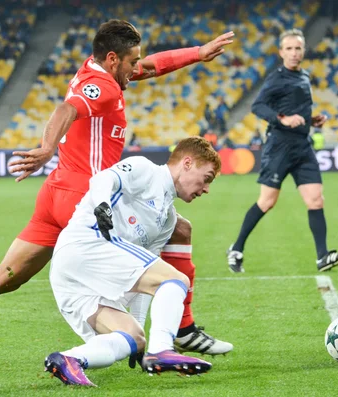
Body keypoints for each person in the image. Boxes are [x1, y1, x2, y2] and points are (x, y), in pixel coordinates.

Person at [0, 20, 235, 370]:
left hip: (55, 193)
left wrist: (197, 53)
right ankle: (178, 328)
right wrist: (46, 148)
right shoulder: (103, 87)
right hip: (82, 196)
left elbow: (149, 67)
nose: (138, 69)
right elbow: (66, 109)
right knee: (174, 231)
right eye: (133, 62)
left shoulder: (99, 71)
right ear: (114, 59)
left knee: (7, 275)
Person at [45, 137, 220, 386]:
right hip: (87, 243)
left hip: (78, 274)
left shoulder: (168, 219)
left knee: (133, 337)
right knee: (176, 279)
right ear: (188, 163)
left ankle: (69, 359)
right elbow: (103, 178)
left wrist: (139, 326)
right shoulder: (146, 170)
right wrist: (103, 204)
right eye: (207, 178)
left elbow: (145, 281)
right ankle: (162, 350)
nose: (206, 189)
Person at [226, 29, 338, 274]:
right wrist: (281, 119)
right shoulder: (277, 78)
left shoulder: (304, 76)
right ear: (281, 52)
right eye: (289, 49)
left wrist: (310, 119)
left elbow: (296, 107)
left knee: (316, 199)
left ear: (303, 51)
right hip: (280, 146)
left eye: (298, 48)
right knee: (267, 201)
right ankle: (237, 248)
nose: (294, 53)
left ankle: (322, 257)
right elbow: (258, 106)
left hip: (302, 146)